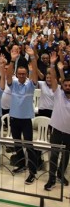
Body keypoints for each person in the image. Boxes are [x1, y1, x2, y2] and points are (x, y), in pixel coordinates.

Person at [6, 44, 39, 185]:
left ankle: (32, 171)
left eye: (23, 74)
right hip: (14, 118)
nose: (21, 76)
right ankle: (21, 164)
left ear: (26, 75)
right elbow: (7, 75)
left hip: (26, 119)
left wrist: (32, 57)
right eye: (19, 74)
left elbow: (35, 74)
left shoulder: (30, 85)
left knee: (29, 145)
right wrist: (12, 60)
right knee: (17, 143)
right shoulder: (13, 83)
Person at [44, 52, 70, 191]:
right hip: (56, 130)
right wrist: (53, 65)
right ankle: (51, 178)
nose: (67, 87)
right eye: (65, 85)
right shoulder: (58, 93)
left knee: (66, 156)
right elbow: (53, 78)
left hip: (69, 133)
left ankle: (61, 174)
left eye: (69, 85)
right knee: (54, 155)